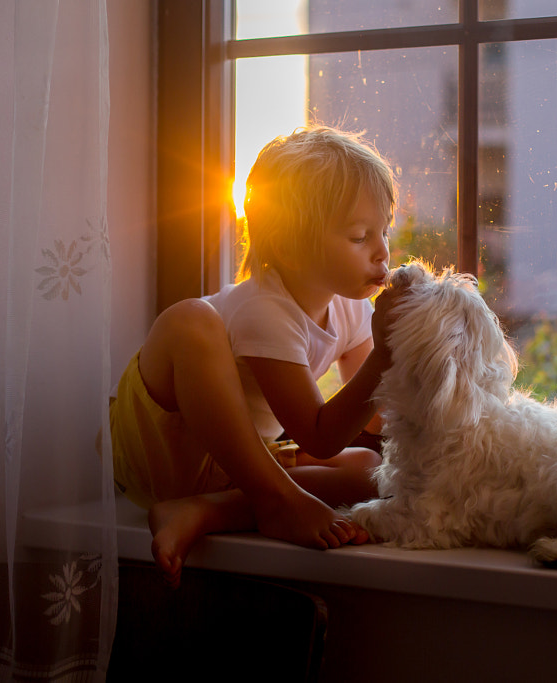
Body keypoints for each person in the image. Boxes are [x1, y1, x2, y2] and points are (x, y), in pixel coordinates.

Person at [109, 126, 401, 587]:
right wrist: (387, 356)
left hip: (243, 464)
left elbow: (373, 421)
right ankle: (273, 500)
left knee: (372, 471)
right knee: (191, 320)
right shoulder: (265, 309)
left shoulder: (349, 307)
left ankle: (205, 511)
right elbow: (320, 435)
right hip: (168, 453)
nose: (383, 251)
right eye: (361, 236)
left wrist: (418, 359)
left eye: (384, 230)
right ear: (289, 245)